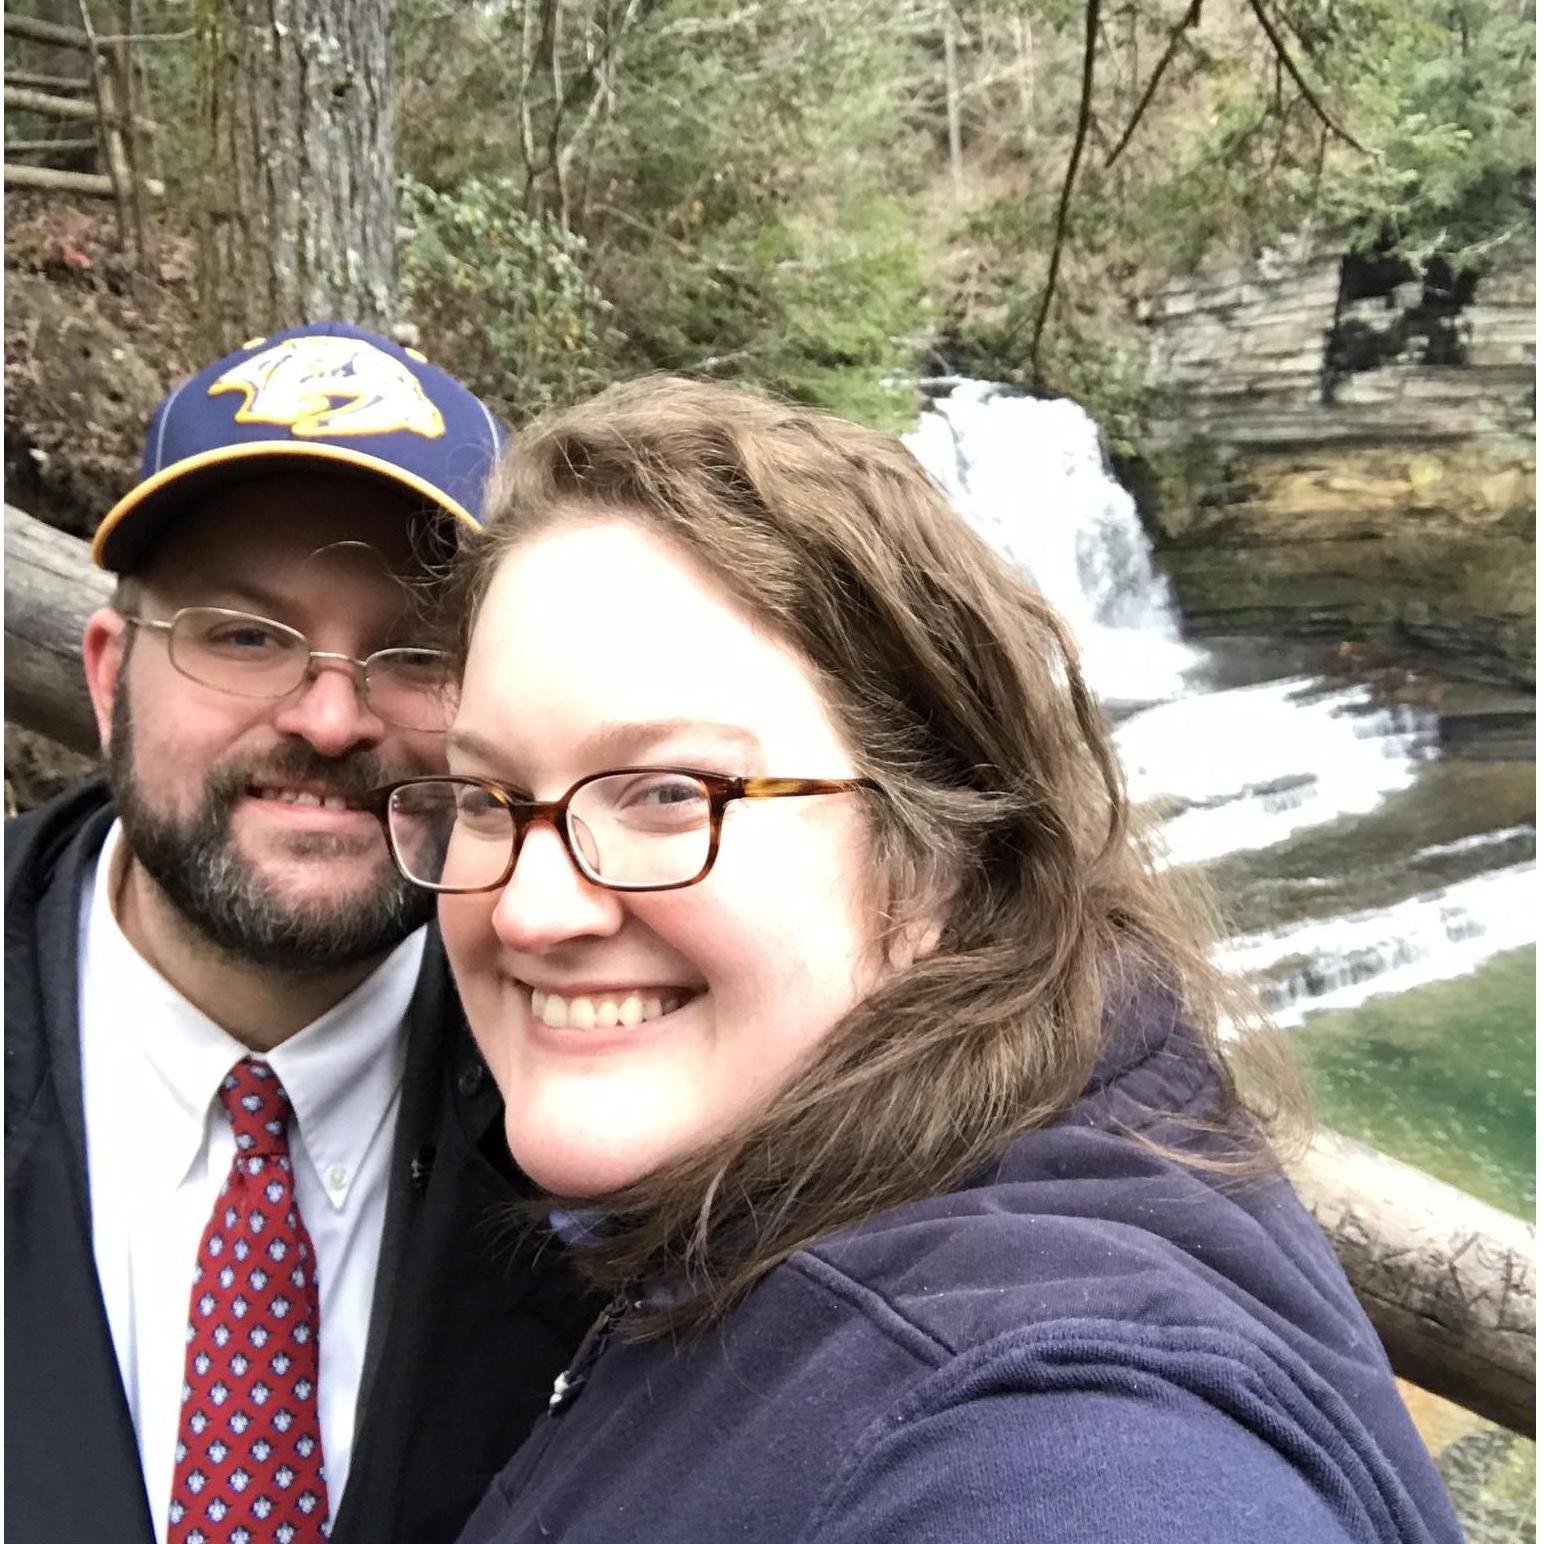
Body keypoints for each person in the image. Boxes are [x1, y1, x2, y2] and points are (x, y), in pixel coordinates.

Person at [370, 376, 1465, 1544]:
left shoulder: (1055, 1432)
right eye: (487, 797)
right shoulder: (768, 1193)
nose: (531, 909)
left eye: (666, 792)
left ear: (942, 849)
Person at [5, 321, 596, 1544]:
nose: (329, 716)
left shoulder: (615, 1079)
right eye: (243, 634)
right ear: (110, 677)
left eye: (414, 650)